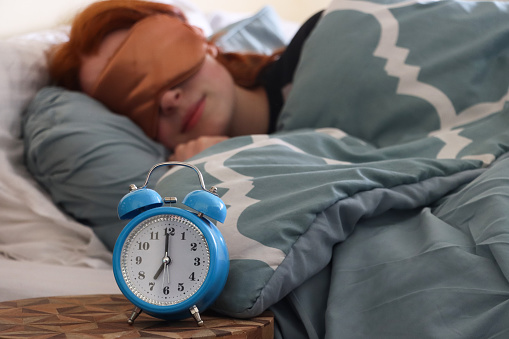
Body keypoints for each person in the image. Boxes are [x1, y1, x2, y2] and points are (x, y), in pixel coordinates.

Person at [49, 0, 323, 161]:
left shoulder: (320, 44)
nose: (168, 99)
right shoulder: (188, 187)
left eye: (157, 61)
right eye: (128, 106)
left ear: (198, 37)